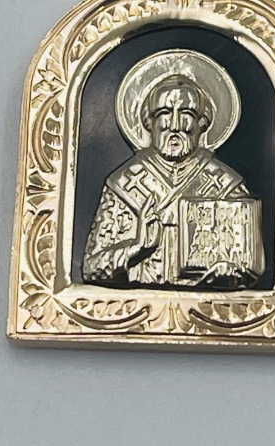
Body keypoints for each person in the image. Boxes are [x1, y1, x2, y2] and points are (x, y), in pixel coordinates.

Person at [83, 74, 263, 287]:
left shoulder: (226, 185)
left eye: (187, 114)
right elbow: (92, 268)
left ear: (202, 123)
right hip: (140, 301)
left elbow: (250, 266)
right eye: (164, 113)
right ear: (149, 122)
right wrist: (137, 249)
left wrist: (230, 272)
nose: (175, 125)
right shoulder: (123, 184)